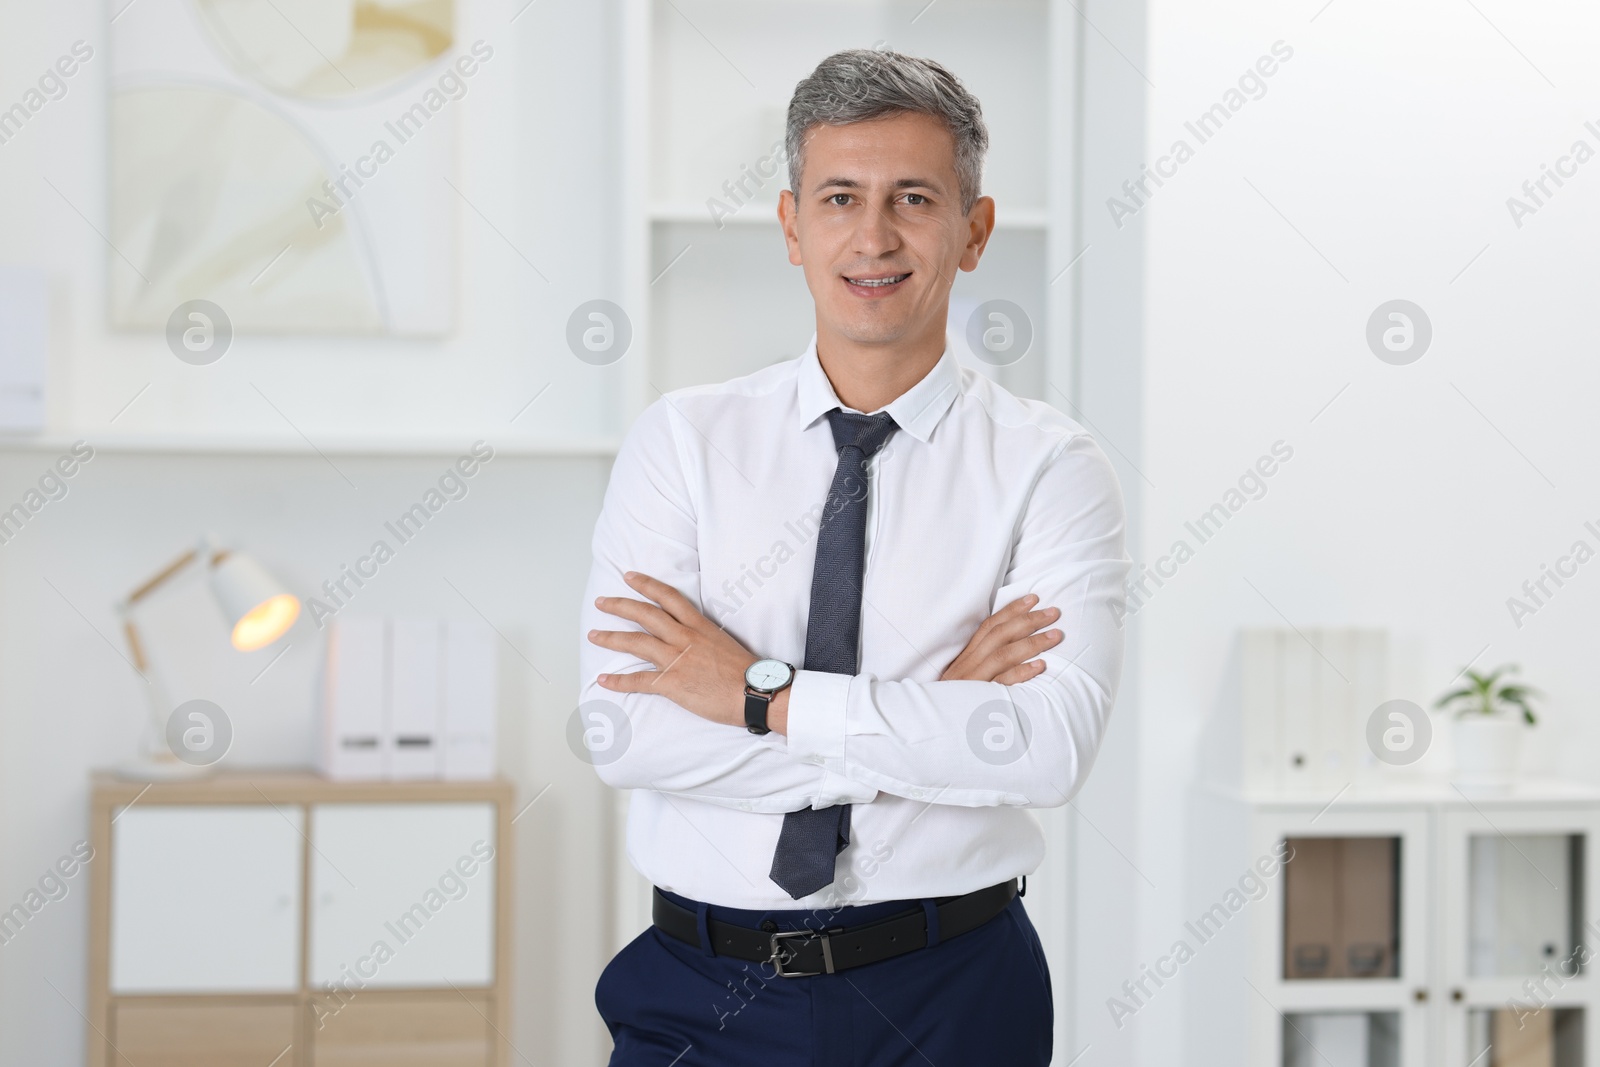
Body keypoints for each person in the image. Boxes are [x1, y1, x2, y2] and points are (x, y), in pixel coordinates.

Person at [579, 47, 1129, 1067]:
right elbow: (625, 732)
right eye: (840, 196)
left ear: (974, 229)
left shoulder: (1050, 467)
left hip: (953, 991)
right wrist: (935, 706)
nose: (873, 236)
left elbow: (1045, 748)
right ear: (792, 224)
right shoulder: (682, 443)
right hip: (701, 992)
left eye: (912, 198)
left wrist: (755, 691)